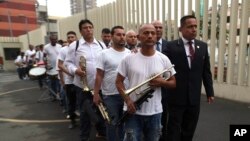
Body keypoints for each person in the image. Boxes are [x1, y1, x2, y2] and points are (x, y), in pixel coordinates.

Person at [116, 24, 176, 141]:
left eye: (152, 33)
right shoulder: (128, 58)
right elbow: (118, 82)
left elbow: (173, 83)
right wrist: (128, 100)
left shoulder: (163, 58)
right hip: (132, 111)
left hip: (155, 112)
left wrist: (162, 82)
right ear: (138, 37)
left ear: (156, 37)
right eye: (146, 33)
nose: (150, 36)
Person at [163, 15, 215, 141]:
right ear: (181, 29)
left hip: (194, 99)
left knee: (189, 129)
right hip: (176, 97)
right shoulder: (171, 46)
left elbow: (206, 71)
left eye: (196, 26)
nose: (194, 29)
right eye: (190, 26)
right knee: (173, 129)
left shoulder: (202, 46)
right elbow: (164, 70)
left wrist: (210, 92)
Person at [65, 19, 106, 141]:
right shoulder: (74, 46)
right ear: (81, 31)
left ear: (93, 29)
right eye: (85, 28)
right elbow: (67, 63)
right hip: (82, 87)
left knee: (101, 111)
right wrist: (75, 70)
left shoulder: (101, 44)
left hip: (99, 86)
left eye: (90, 27)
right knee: (85, 114)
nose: (88, 29)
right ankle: (84, 137)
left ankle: (102, 132)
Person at [93, 25, 130, 141]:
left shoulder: (130, 53)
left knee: (125, 124)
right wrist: (96, 93)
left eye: (123, 35)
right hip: (110, 96)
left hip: (127, 94)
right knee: (112, 124)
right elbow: (99, 75)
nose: (122, 37)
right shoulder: (104, 54)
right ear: (112, 36)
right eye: (118, 35)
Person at [151, 20, 168, 141]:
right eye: (155, 27)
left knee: (164, 113)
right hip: (148, 87)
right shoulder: (140, 46)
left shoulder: (170, 45)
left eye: (160, 27)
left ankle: (161, 137)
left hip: (166, 87)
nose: (158, 29)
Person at [58, 31, 78, 129]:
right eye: (69, 37)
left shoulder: (80, 48)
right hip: (70, 82)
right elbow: (59, 65)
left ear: (76, 38)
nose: (70, 39)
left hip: (80, 82)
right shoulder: (63, 50)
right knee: (71, 102)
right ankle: (72, 121)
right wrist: (70, 74)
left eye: (72, 37)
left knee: (83, 103)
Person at [44, 34, 62, 101]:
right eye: (52, 39)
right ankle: (53, 96)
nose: (54, 40)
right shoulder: (46, 47)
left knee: (59, 83)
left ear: (57, 39)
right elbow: (44, 57)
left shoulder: (60, 46)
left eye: (55, 39)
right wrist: (46, 65)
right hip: (51, 68)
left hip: (58, 68)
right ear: (50, 40)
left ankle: (59, 95)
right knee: (52, 83)